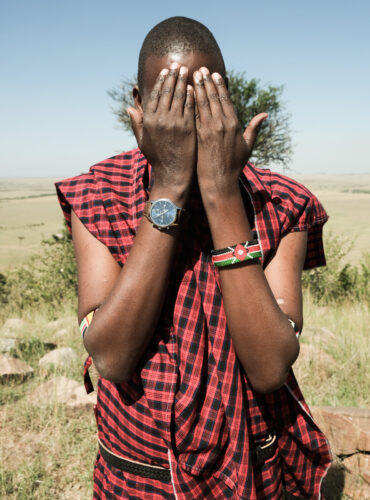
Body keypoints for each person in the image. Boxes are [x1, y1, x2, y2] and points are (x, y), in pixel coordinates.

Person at [56, 16, 332, 500]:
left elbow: (269, 367)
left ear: (227, 103)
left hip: (253, 467)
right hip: (140, 472)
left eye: (202, 100)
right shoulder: (99, 193)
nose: (186, 120)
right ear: (140, 109)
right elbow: (113, 357)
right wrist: (169, 187)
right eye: (170, 102)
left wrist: (222, 193)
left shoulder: (282, 202)